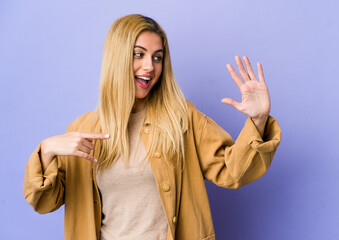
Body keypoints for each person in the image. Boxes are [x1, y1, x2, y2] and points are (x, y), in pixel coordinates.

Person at [23, 14, 281, 240]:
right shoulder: (83, 128)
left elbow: (232, 172)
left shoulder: (182, 118)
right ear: (117, 57)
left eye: (157, 57)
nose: (150, 66)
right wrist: (46, 151)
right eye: (139, 54)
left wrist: (258, 120)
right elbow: (45, 202)